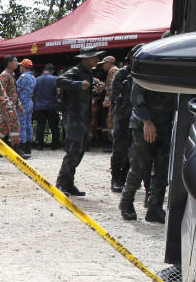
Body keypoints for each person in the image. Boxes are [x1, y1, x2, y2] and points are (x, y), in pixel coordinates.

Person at [119, 79, 176, 222]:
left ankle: (155, 208)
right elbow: (137, 99)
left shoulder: (175, 73)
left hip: (166, 126)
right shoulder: (148, 70)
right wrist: (147, 122)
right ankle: (126, 202)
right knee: (140, 165)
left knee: (162, 169)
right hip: (143, 125)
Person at [55, 48, 105, 196]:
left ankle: (69, 183)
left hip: (84, 118)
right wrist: (78, 84)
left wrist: (95, 89)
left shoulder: (88, 73)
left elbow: (84, 93)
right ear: (85, 58)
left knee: (80, 152)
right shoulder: (76, 71)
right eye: (94, 57)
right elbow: (59, 81)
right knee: (72, 152)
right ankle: (61, 183)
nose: (97, 60)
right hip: (73, 118)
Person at [109, 47, 141, 192]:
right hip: (122, 116)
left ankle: (125, 177)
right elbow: (114, 95)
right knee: (119, 149)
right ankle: (116, 178)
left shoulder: (142, 74)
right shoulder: (122, 73)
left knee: (133, 150)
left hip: (137, 117)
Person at [0, 55, 23, 155]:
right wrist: (8, 105)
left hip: (11, 105)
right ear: (9, 63)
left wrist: (18, 103)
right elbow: (1, 92)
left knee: (3, 128)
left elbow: (13, 92)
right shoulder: (4, 75)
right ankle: (17, 151)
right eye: (15, 61)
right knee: (15, 126)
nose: (17, 63)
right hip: (7, 106)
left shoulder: (11, 74)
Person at [32, 63, 60, 149]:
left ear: (44, 70)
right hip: (52, 106)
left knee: (40, 125)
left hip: (39, 106)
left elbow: (33, 94)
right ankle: (54, 145)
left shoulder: (36, 80)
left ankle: (39, 145)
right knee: (54, 126)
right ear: (52, 71)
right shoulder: (55, 79)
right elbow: (58, 93)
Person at [16, 59, 36, 158]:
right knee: (29, 125)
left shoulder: (23, 77)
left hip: (22, 104)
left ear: (24, 67)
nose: (19, 68)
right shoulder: (33, 77)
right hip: (29, 103)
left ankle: (22, 150)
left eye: (20, 66)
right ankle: (28, 150)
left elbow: (16, 89)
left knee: (22, 126)